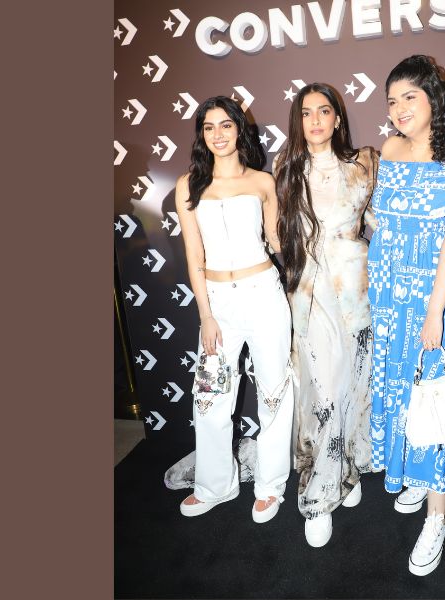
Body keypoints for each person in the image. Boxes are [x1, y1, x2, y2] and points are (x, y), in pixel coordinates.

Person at [367, 55, 445, 575]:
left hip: (441, 291)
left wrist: (435, 312)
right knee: (402, 387)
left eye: (409, 97)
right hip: (391, 290)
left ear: (433, 98)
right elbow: (382, 224)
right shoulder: (390, 149)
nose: (398, 108)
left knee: (437, 388)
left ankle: (436, 517)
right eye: (391, 100)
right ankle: (414, 476)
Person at [173, 95, 293, 523]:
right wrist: (205, 314)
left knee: (274, 392)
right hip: (217, 303)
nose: (218, 134)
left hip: (264, 294)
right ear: (201, 135)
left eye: (225, 124)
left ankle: (271, 486)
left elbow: (277, 242)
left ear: (240, 129)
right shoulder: (188, 185)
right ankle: (215, 486)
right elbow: (194, 253)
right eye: (208, 127)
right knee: (210, 396)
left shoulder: (263, 182)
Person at [273, 83, 378, 547]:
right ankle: (318, 495)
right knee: (323, 389)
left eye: (323, 111)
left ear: (337, 118)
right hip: (308, 292)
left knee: (354, 385)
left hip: (355, 291)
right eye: (306, 113)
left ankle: (346, 471)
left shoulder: (365, 164)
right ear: (298, 121)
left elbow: (378, 221)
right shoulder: (285, 167)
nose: (315, 120)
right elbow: (278, 232)